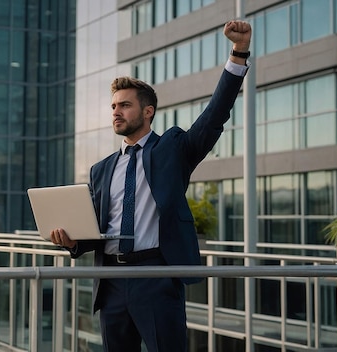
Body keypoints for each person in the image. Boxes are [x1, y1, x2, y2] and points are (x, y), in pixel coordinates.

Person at [50, 20, 252, 352]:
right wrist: (72, 242)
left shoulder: (172, 149)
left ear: (148, 111)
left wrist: (238, 53)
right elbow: (99, 229)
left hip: (157, 276)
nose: (116, 112)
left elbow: (215, 114)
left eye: (124, 105)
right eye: (114, 106)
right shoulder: (101, 170)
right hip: (111, 282)